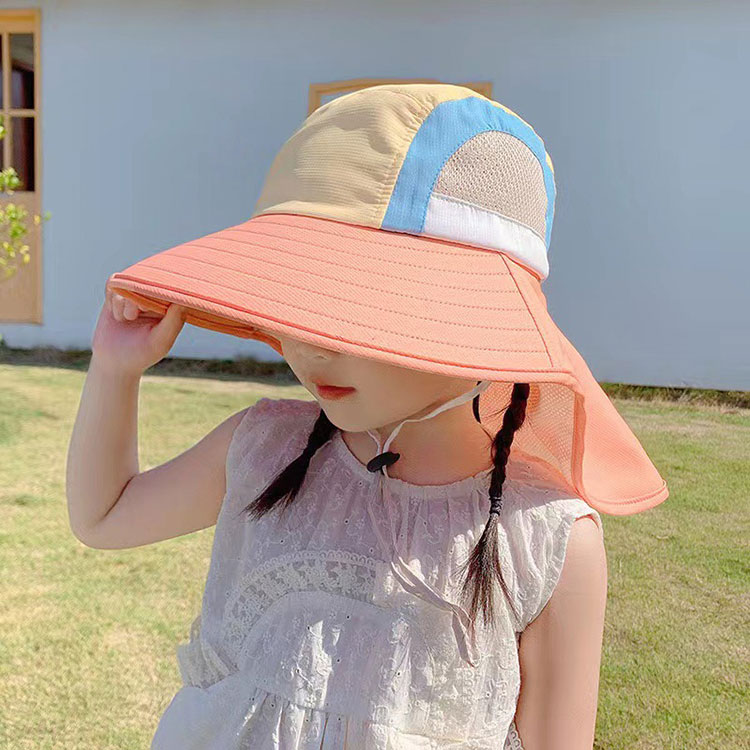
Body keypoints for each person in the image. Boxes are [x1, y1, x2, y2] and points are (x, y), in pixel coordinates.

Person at [67, 83, 668, 749]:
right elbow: (106, 515)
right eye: (299, 300)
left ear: (480, 322)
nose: (308, 343)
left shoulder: (545, 538)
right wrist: (115, 370)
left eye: (360, 308)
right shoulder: (263, 447)